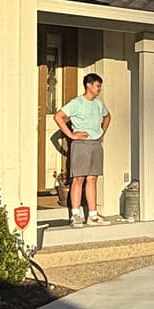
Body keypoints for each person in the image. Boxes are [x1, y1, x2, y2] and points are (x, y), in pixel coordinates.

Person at [54, 73, 112, 227]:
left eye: (100, 86)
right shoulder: (77, 103)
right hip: (81, 145)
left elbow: (107, 117)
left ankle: (92, 215)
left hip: (95, 144)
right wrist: (72, 135)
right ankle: (75, 214)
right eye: (97, 86)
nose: (99, 89)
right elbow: (58, 116)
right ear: (89, 85)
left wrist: (102, 133)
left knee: (92, 179)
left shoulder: (99, 104)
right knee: (78, 178)